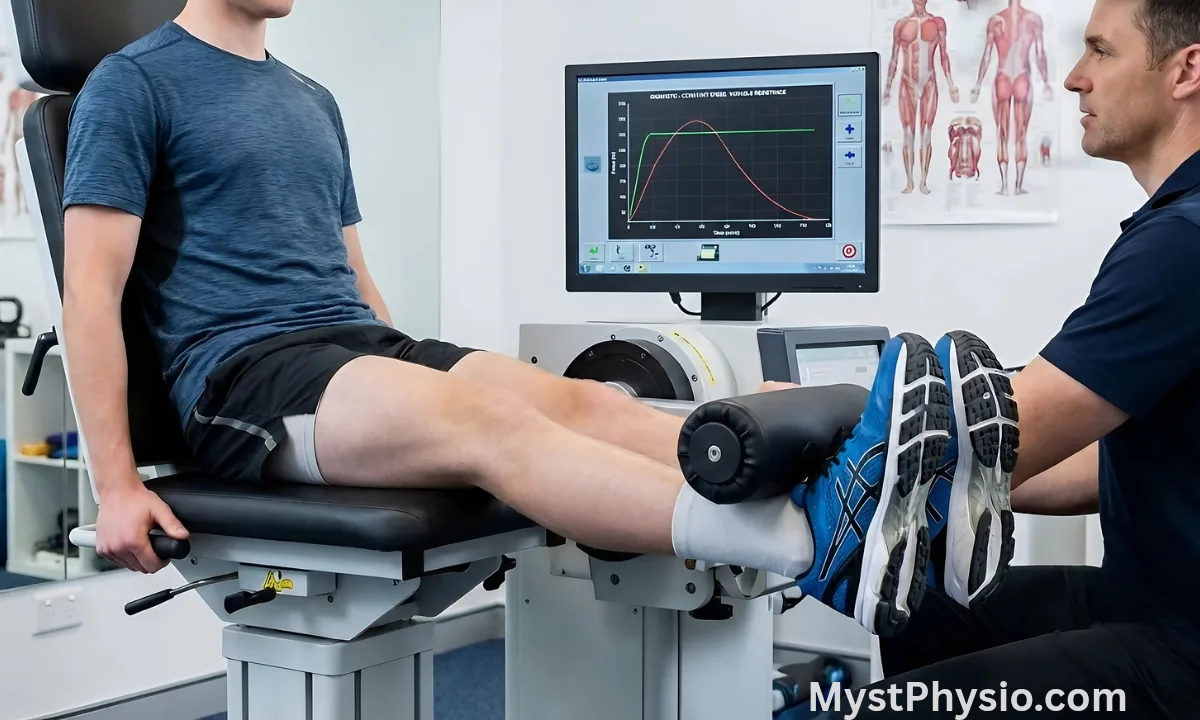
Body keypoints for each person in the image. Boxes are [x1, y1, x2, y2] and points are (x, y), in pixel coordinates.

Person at [59, 0, 1017, 638]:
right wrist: (112, 487)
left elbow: (352, 279)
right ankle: (811, 553)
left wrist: (408, 374)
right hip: (244, 377)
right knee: (495, 426)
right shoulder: (133, 84)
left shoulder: (312, 99)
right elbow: (90, 295)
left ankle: (855, 487)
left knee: (581, 400)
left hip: (352, 348)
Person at [837, 0, 1200, 715]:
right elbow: (1098, 464)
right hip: (1149, 595)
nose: (1072, 78)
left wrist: (821, 443)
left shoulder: (1181, 243)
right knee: (922, 606)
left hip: (1181, 639)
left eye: (1100, 51)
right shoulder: (1174, 226)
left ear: (1187, 70)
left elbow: (993, 441)